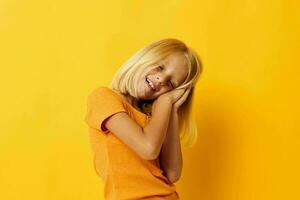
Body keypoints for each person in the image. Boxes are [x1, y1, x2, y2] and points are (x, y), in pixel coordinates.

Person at [84, 38, 203, 199]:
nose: (161, 79)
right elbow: (148, 148)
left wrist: (172, 110)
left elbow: (172, 173)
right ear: (144, 58)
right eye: (160, 67)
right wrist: (166, 101)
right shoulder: (103, 97)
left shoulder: (155, 117)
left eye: (171, 84)